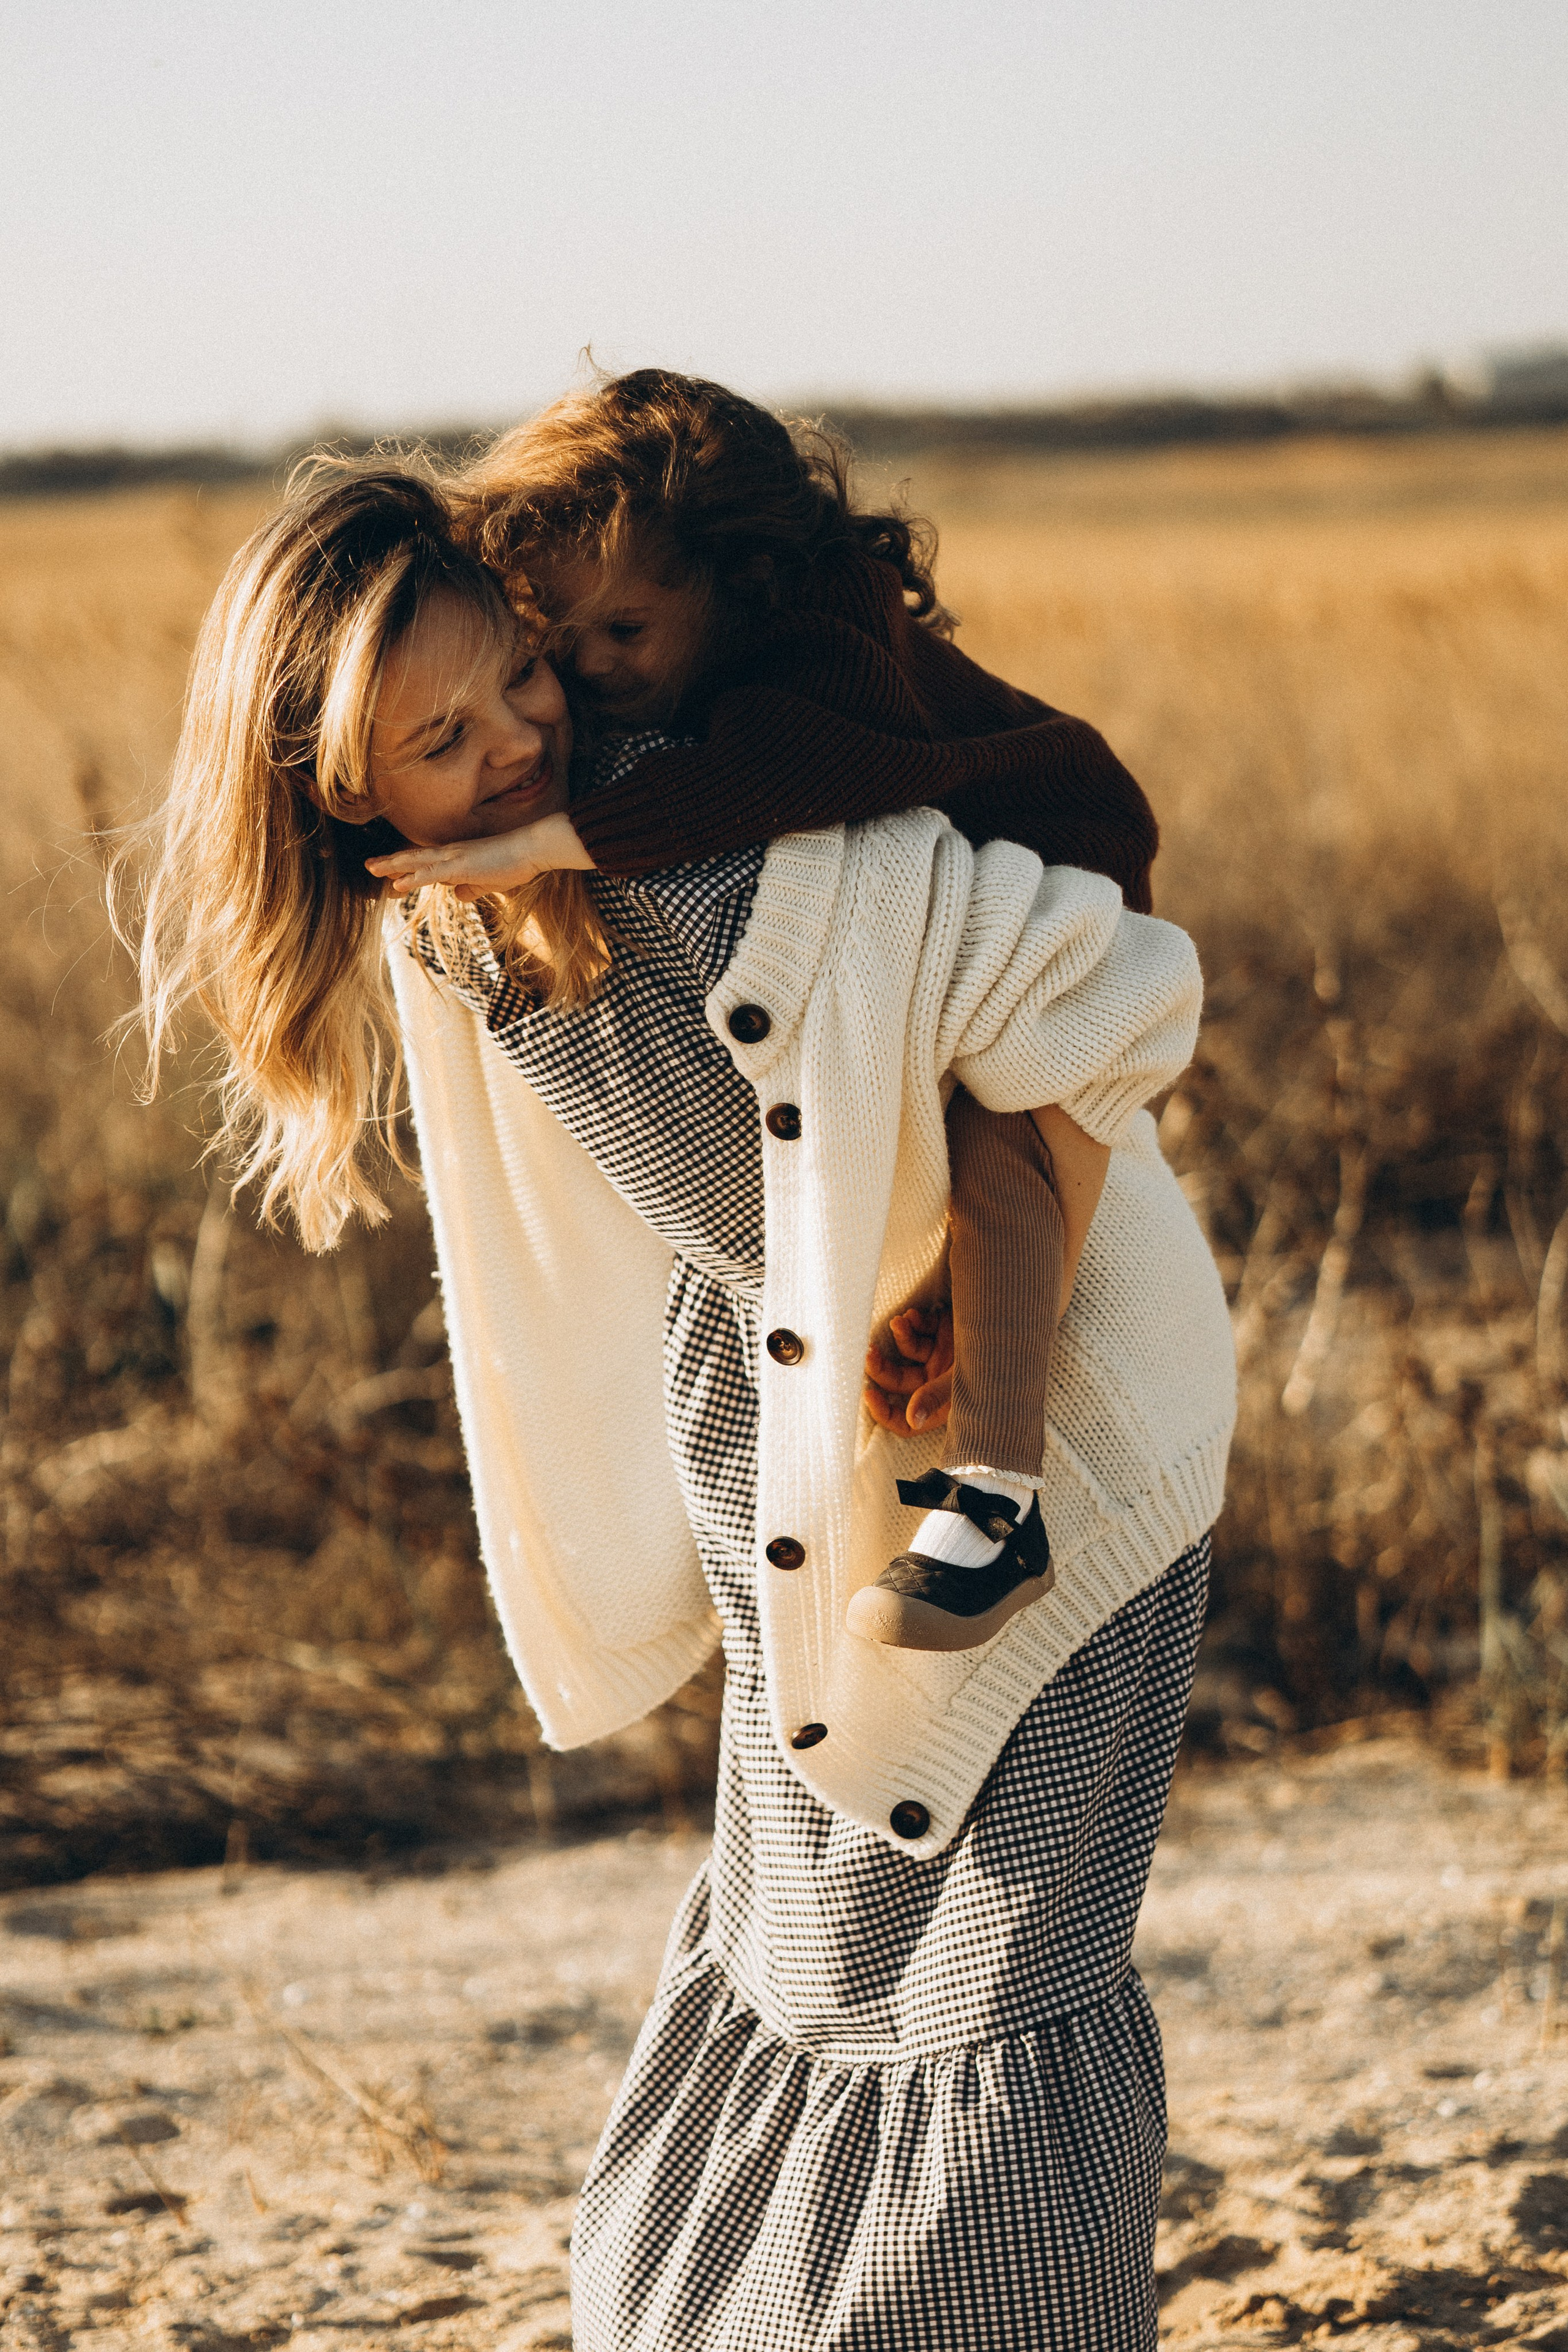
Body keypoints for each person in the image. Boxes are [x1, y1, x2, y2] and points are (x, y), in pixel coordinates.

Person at [127, 459, 1236, 2351]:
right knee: (806, 1934)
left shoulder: (712, 841)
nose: (515, 741)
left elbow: (1114, 983)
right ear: (340, 789)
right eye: (442, 732)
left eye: (523, 682)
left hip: (1055, 1436)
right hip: (796, 1457)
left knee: (997, 1967)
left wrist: (984, 1337)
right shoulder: (456, 917)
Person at [368, 369, 1162, 1651]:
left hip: (1066, 859)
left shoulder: (818, 642)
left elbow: (779, 777)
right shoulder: (665, 651)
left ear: (736, 582)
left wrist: (564, 838)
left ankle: (997, 1497)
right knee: (963, 1206)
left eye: (621, 635)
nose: (587, 671)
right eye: (552, 639)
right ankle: (954, 1341)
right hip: (955, 912)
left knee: (1004, 1155)